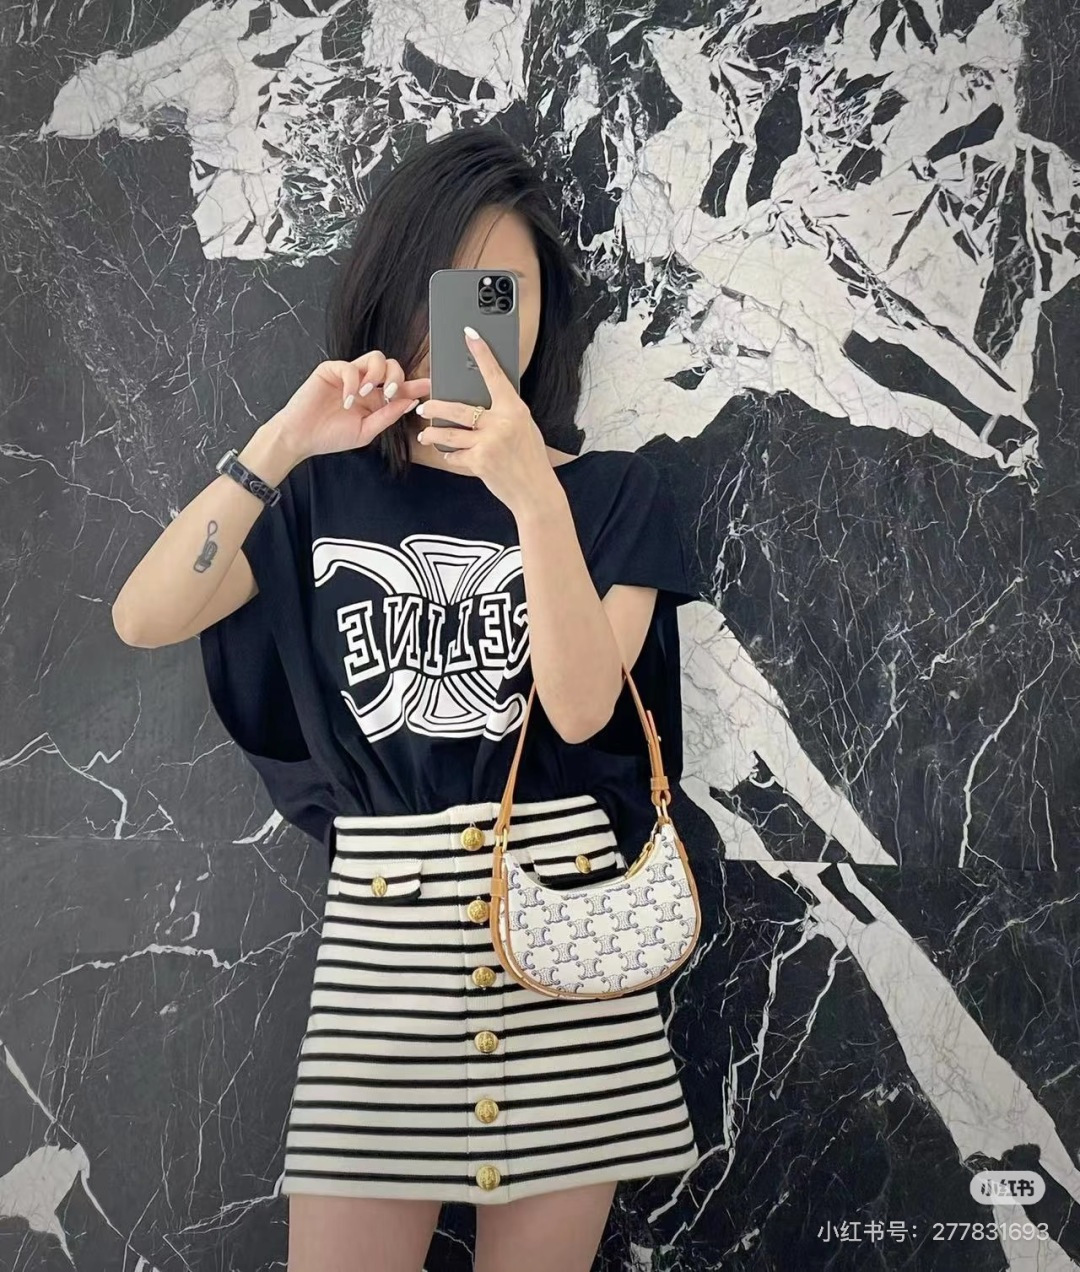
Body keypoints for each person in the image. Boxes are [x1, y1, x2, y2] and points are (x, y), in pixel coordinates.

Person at [112, 126, 702, 1272]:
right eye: (453, 288)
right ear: (399, 294)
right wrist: (286, 439)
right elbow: (144, 616)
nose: (480, 326)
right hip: (384, 950)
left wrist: (533, 494)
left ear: (545, 313)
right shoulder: (319, 493)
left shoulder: (616, 495)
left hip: (565, 934)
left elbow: (583, 711)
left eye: (506, 294)